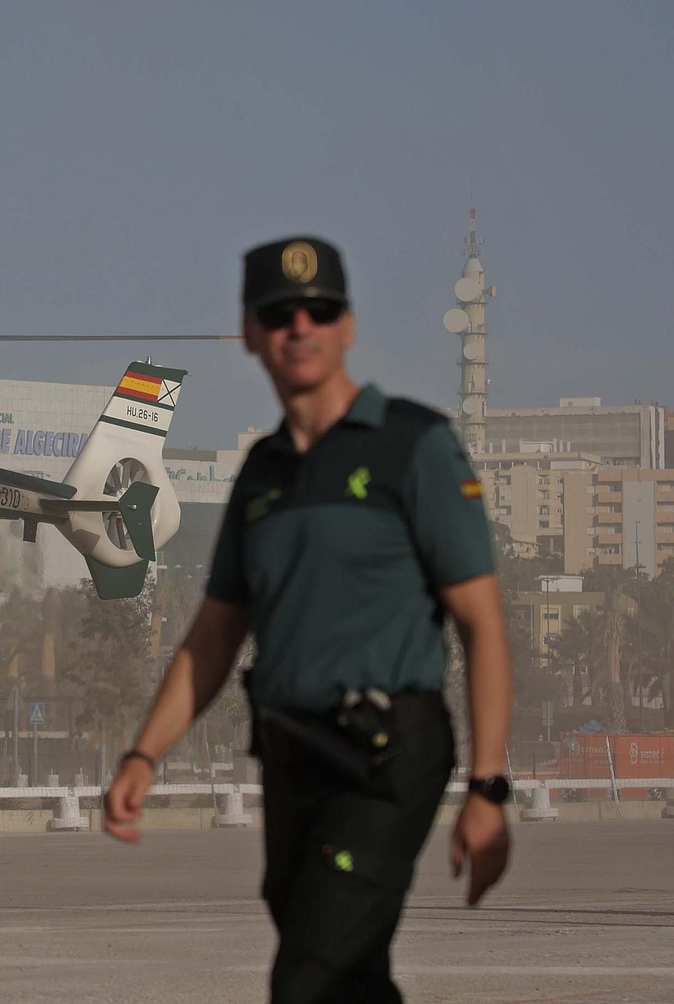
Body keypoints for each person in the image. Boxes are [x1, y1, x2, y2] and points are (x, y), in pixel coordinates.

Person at [103, 236, 513, 1003]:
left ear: (347, 326)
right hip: (294, 754)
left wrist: (488, 790)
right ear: (252, 334)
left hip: (390, 753)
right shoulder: (261, 475)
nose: (301, 326)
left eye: (319, 310)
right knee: (345, 975)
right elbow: (214, 634)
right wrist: (143, 756)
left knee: (308, 977)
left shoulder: (413, 447)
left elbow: (483, 626)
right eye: (279, 313)